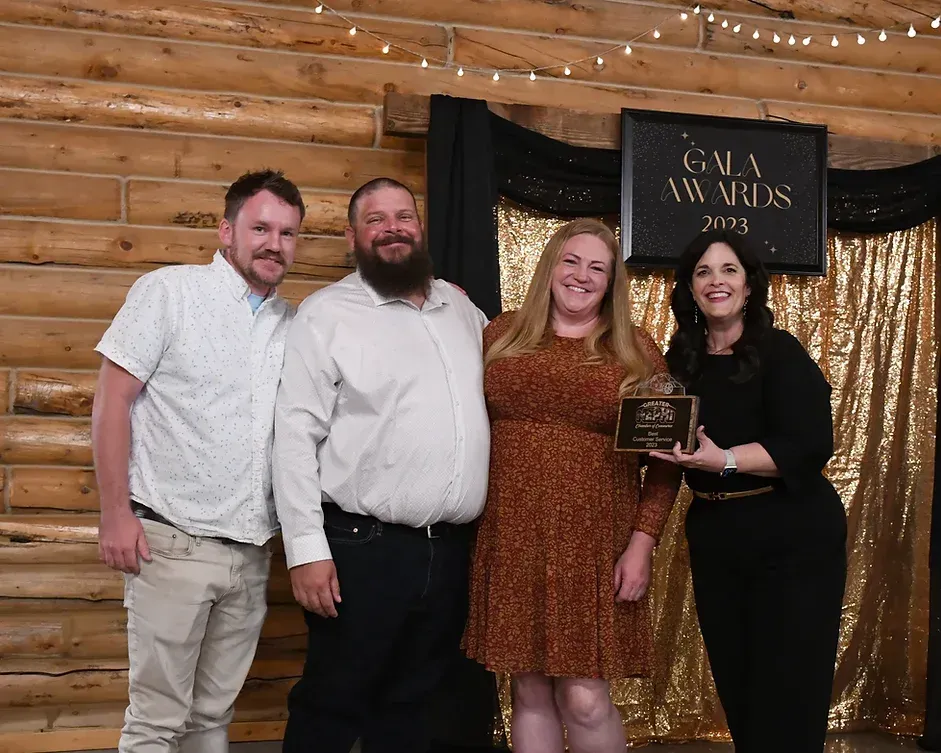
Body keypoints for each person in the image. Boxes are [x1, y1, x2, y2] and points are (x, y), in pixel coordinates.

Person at [272, 177, 491, 753]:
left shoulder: (462, 310)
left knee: (416, 714)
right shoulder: (327, 315)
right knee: (332, 703)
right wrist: (306, 551)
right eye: (376, 219)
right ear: (352, 236)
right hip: (360, 550)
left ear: (420, 228)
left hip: (448, 553)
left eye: (403, 216)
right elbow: (293, 437)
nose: (393, 228)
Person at [92, 169, 305, 753]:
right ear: (226, 231)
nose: (273, 243)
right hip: (171, 540)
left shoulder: (295, 325)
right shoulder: (169, 293)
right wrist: (115, 513)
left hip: (253, 551)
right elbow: (112, 400)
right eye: (260, 227)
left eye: (287, 233)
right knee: (157, 722)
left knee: (212, 718)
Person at [463, 218, 682, 753]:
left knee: (584, 697)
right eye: (571, 261)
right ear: (550, 267)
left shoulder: (636, 352)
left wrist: (642, 543)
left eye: (598, 269)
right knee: (529, 688)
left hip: (594, 543)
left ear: (611, 284)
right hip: (511, 534)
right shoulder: (501, 333)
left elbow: (670, 460)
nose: (581, 276)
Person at [650, 229, 847, 753]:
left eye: (729, 270)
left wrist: (727, 460)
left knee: (789, 690)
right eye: (703, 272)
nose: (717, 281)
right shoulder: (679, 363)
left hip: (792, 536)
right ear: (689, 289)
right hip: (716, 536)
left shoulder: (779, 352)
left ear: (749, 285)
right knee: (738, 683)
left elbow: (810, 443)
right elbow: (665, 437)